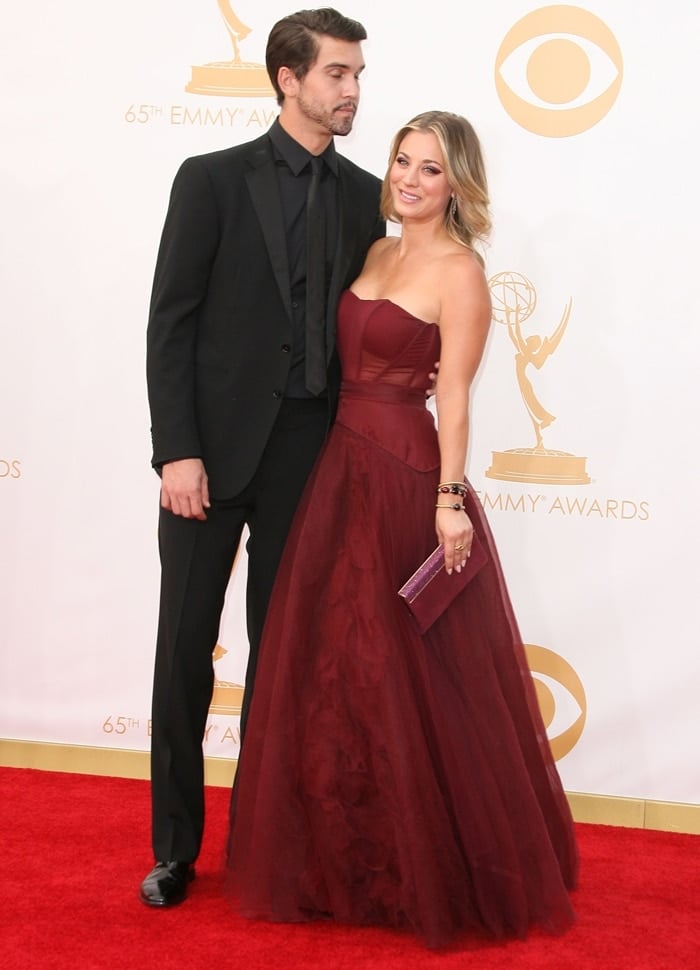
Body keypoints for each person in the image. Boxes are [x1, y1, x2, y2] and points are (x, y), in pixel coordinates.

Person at [225, 110, 579, 948]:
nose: (410, 180)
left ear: (457, 184)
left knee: (411, 671)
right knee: (335, 665)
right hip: (338, 467)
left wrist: (449, 498)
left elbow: (452, 394)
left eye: (430, 169)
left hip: (406, 474)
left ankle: (425, 861)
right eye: (402, 162)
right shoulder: (377, 251)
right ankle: (341, 855)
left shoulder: (461, 273)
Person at [140, 8, 386, 908]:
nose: (353, 89)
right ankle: (175, 848)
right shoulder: (209, 181)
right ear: (288, 77)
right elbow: (170, 325)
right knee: (183, 655)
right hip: (207, 461)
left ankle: (267, 844)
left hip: (309, 458)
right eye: (337, 74)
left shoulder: (367, 196)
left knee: (286, 663)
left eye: (358, 74)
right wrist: (180, 452)